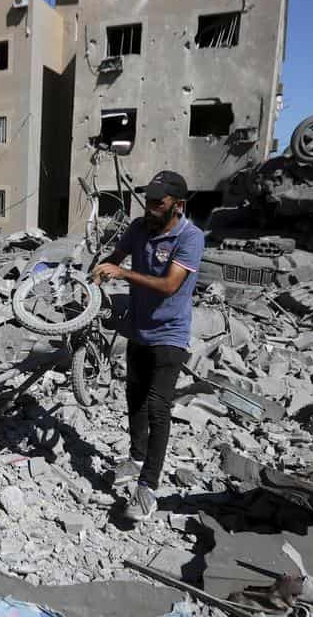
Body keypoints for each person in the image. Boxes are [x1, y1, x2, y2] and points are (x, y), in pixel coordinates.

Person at [91, 169, 204, 521]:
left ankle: (147, 488)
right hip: (138, 329)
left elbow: (170, 285)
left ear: (178, 205)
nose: (151, 206)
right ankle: (136, 457)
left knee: (157, 407)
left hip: (170, 333)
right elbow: (115, 256)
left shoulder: (191, 237)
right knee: (134, 398)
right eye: (148, 200)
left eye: (159, 202)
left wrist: (123, 275)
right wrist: (94, 274)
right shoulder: (139, 228)